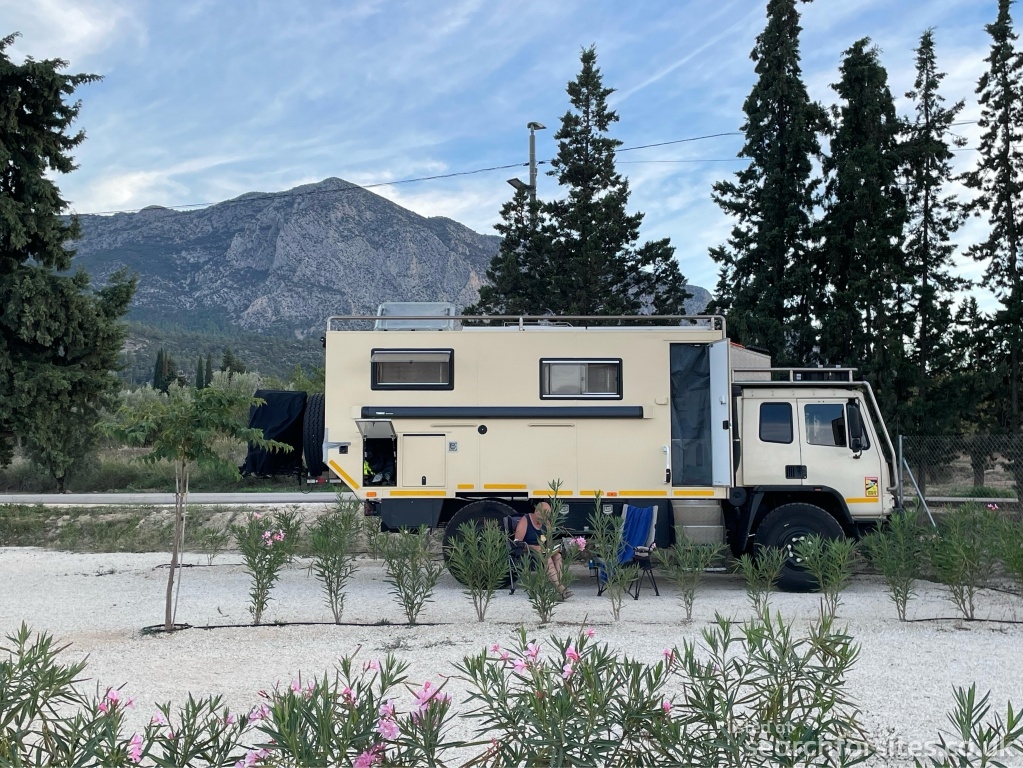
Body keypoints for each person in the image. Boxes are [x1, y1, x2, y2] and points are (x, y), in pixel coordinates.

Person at [514, 500, 571, 598]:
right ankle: (559, 588)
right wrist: (533, 547)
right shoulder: (526, 520)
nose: (545, 518)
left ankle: (561, 585)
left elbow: (548, 543)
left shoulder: (546, 524)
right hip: (529, 551)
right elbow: (517, 542)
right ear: (536, 511)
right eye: (544, 515)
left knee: (557, 556)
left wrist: (554, 549)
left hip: (543, 551)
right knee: (547, 558)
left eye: (547, 515)